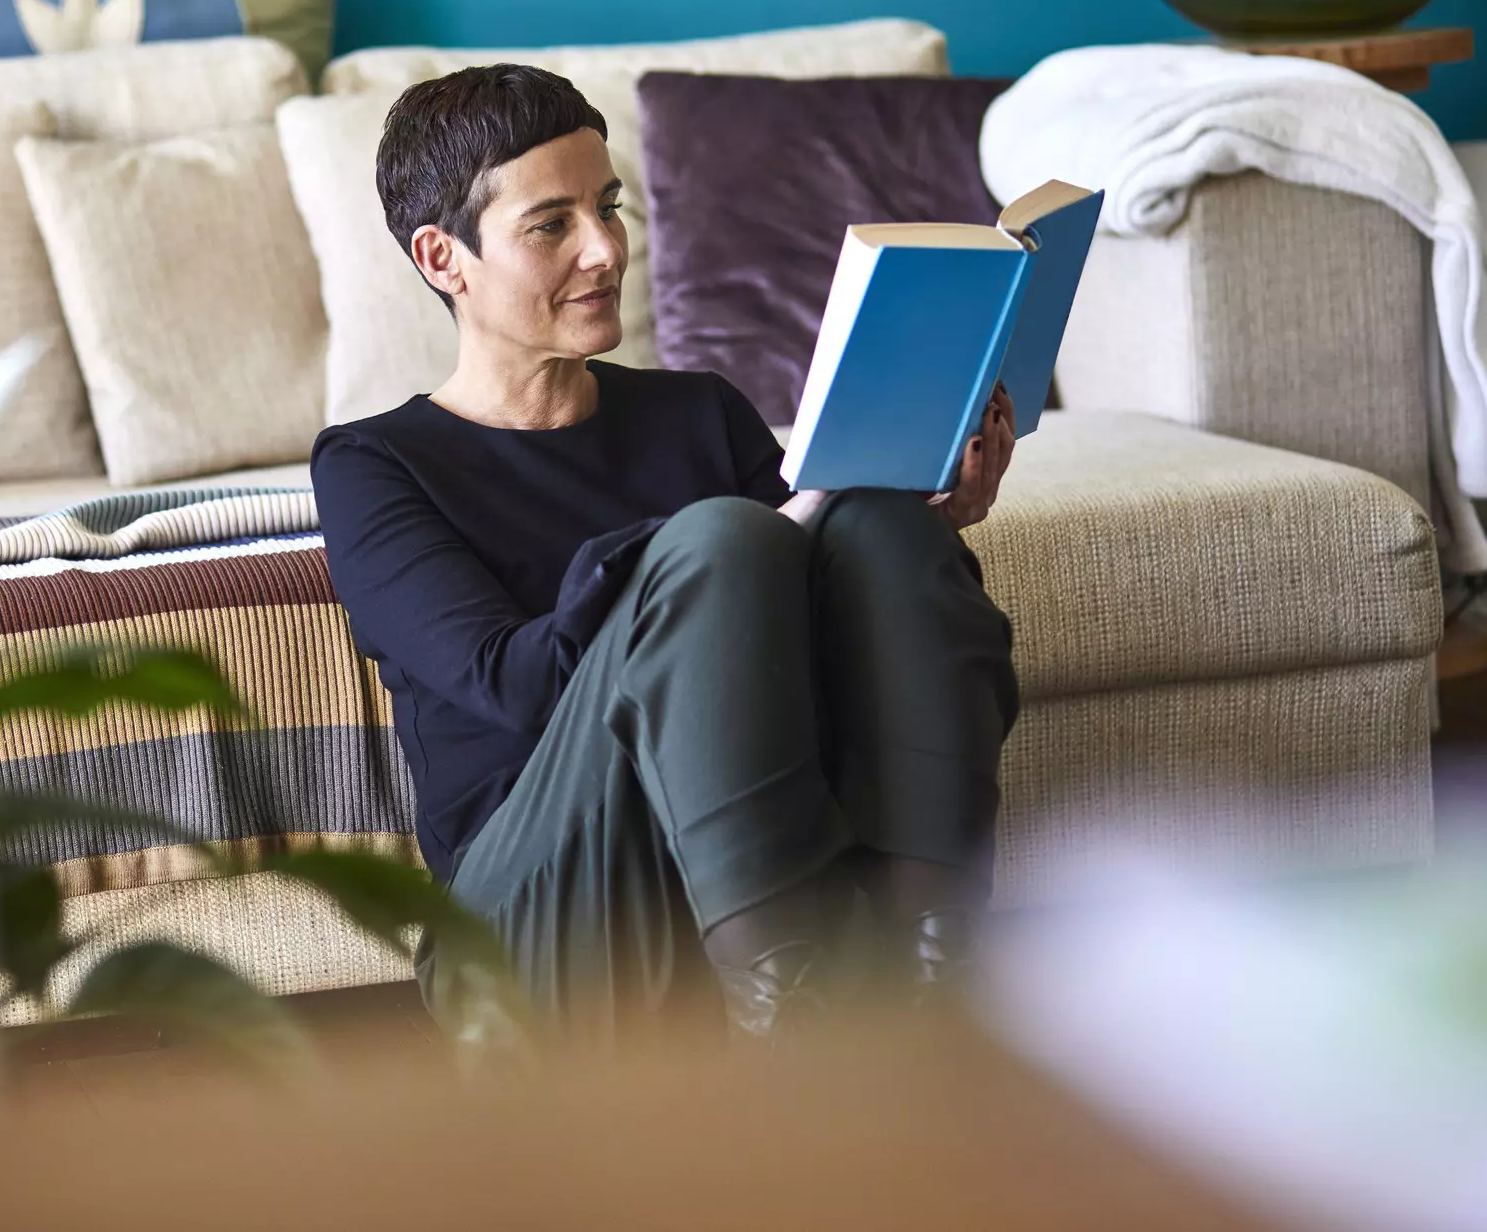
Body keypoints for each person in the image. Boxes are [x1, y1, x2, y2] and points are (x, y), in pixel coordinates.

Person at [310, 64, 1019, 1046]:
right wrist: (681, 560)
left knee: (878, 523)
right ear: (444, 258)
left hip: (731, 874)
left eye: (606, 207)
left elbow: (820, 644)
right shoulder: (376, 465)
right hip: (536, 927)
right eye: (550, 224)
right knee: (724, 534)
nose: (605, 250)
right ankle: (799, 1027)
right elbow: (507, 687)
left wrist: (929, 513)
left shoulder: (698, 412)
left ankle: (937, 970)